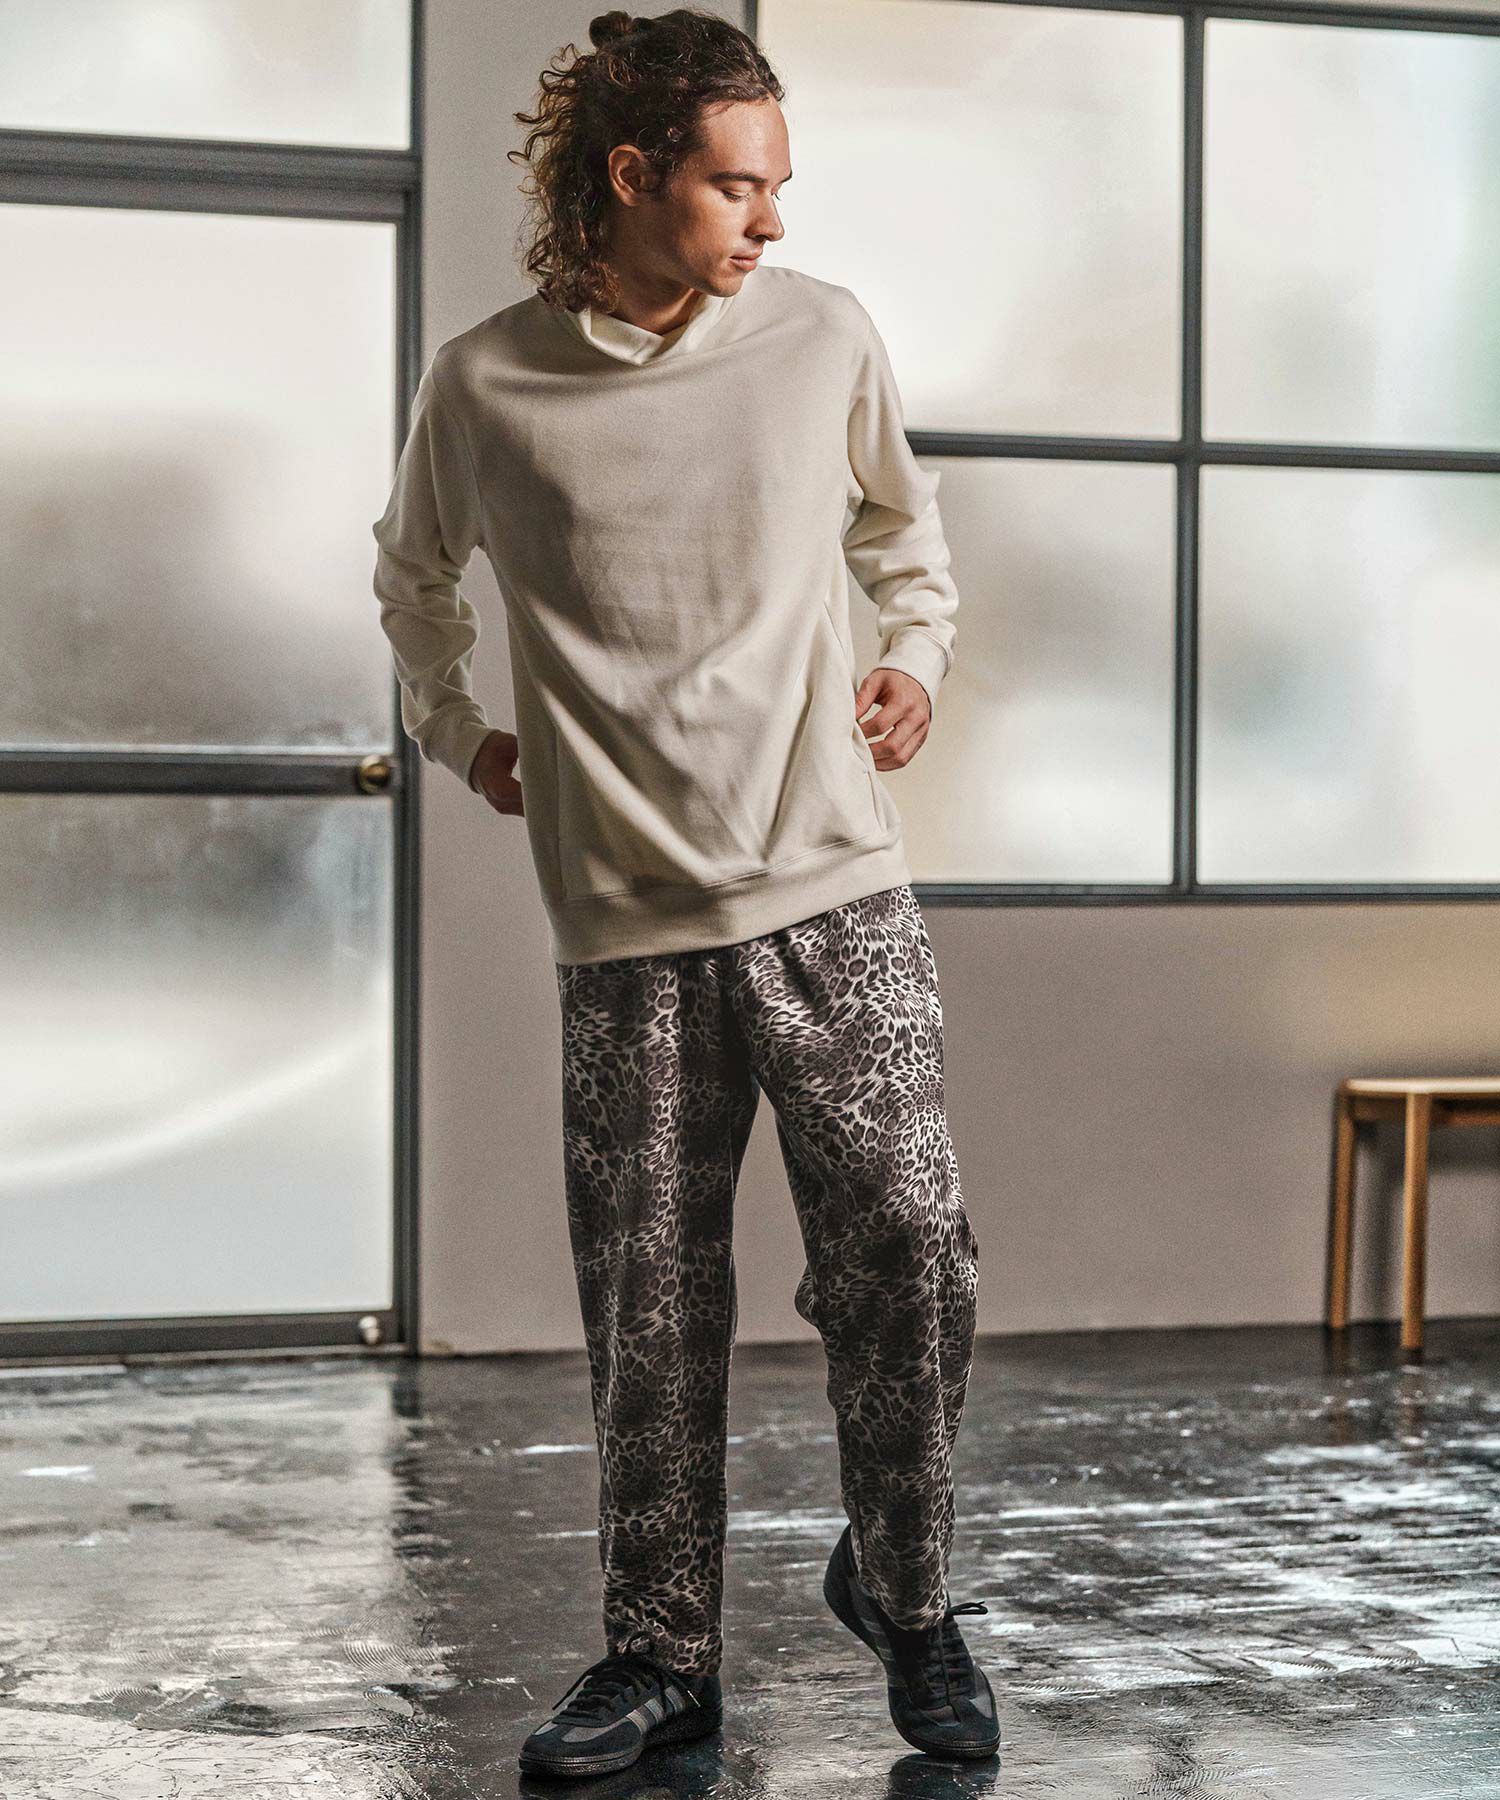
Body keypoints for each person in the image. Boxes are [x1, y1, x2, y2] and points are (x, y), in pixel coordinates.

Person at [370, 6, 994, 1777]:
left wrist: (914, 659)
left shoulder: (822, 336)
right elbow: (412, 579)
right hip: (626, 921)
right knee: (650, 1307)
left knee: (913, 1245)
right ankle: (660, 1659)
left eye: (781, 185)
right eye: (738, 187)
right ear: (634, 175)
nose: (772, 220)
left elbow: (905, 535)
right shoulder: (485, 386)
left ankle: (905, 1588)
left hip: (833, 887)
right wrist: (458, 731)